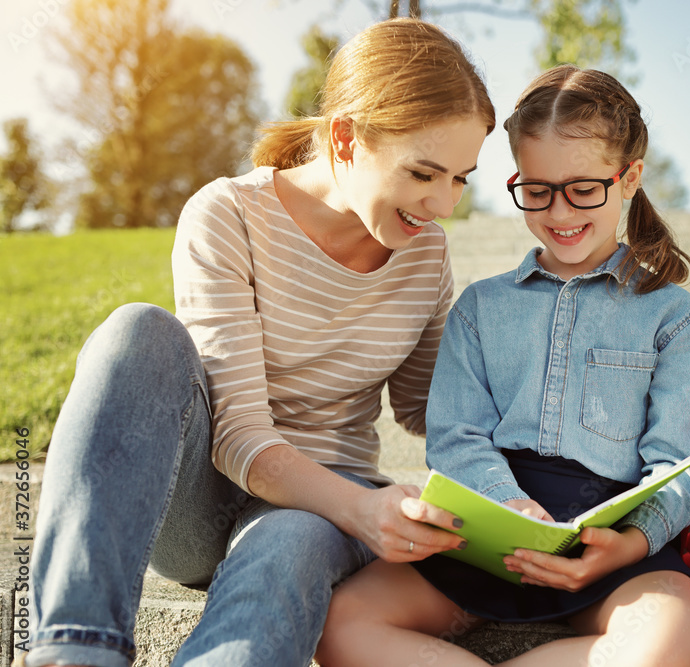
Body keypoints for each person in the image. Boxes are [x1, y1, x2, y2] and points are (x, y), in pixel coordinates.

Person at [25, 18, 494, 667]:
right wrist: (365, 509)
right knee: (138, 330)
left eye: (461, 178)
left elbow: (426, 407)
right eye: (424, 173)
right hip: (206, 501)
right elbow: (242, 437)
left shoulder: (424, 252)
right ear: (344, 138)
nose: (444, 202)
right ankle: (73, 651)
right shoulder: (227, 215)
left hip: (318, 508)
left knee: (289, 541)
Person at [314, 64, 690, 667]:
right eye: (536, 190)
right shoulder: (480, 307)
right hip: (487, 534)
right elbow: (455, 436)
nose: (560, 211)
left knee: (678, 635)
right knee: (340, 622)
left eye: (583, 188)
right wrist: (510, 505)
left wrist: (628, 545)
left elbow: (681, 467)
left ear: (628, 178)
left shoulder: (672, 316)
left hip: (609, 549)